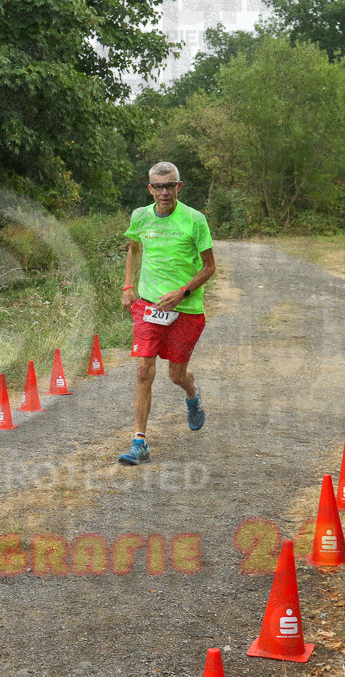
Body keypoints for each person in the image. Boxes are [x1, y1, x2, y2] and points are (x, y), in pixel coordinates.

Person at [119, 162, 215, 465]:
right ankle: (140, 441)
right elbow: (133, 248)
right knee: (144, 370)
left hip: (186, 309)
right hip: (148, 305)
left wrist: (182, 292)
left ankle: (192, 394)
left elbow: (210, 267)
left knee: (176, 374)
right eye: (158, 186)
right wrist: (127, 285)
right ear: (150, 188)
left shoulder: (195, 220)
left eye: (169, 185)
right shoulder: (140, 216)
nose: (164, 192)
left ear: (179, 187)